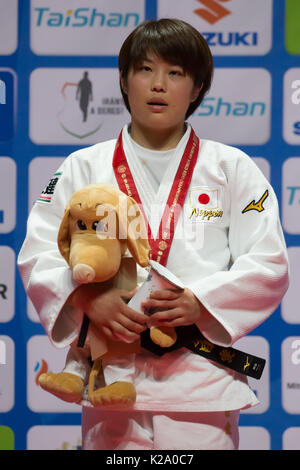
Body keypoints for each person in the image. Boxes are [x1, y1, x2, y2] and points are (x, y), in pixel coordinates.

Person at [18, 18, 289, 450]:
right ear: (124, 81)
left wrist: (200, 300)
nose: (158, 85)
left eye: (175, 73)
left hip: (198, 386)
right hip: (110, 383)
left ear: (197, 88)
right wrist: (87, 296)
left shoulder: (231, 168)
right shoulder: (83, 165)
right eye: (145, 69)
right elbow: (38, 255)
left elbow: (269, 262)